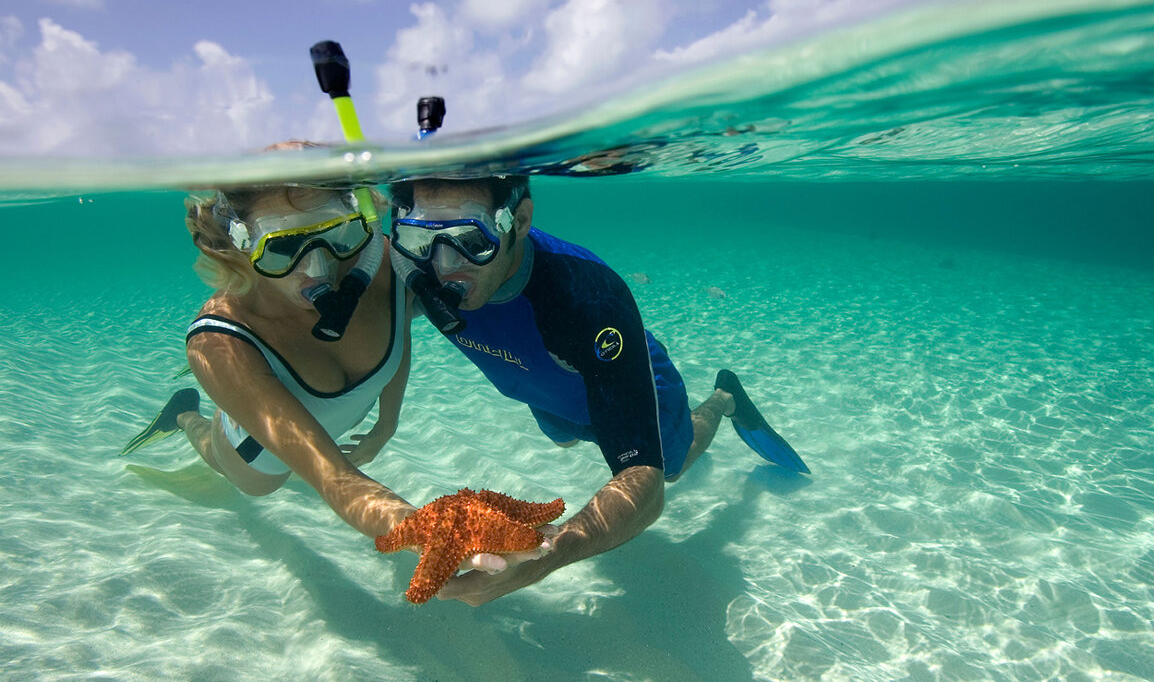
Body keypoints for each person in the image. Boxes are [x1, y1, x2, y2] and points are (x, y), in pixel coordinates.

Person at [388, 175, 807, 605]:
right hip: (545, 388)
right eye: (422, 239)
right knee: (566, 439)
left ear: (520, 220)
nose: (442, 265)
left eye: (470, 240)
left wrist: (545, 558)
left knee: (670, 468)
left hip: (623, 378)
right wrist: (386, 422)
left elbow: (643, 484)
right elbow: (384, 330)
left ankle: (724, 398)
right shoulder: (410, 266)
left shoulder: (587, 301)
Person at [121, 180, 548, 576]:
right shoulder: (218, 344)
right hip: (255, 455)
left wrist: (388, 421)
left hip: (330, 418)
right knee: (237, 472)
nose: (319, 268)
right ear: (242, 242)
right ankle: (184, 416)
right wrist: (435, 532)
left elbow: (396, 333)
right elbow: (334, 477)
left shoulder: (382, 262)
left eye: (337, 234)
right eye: (284, 246)